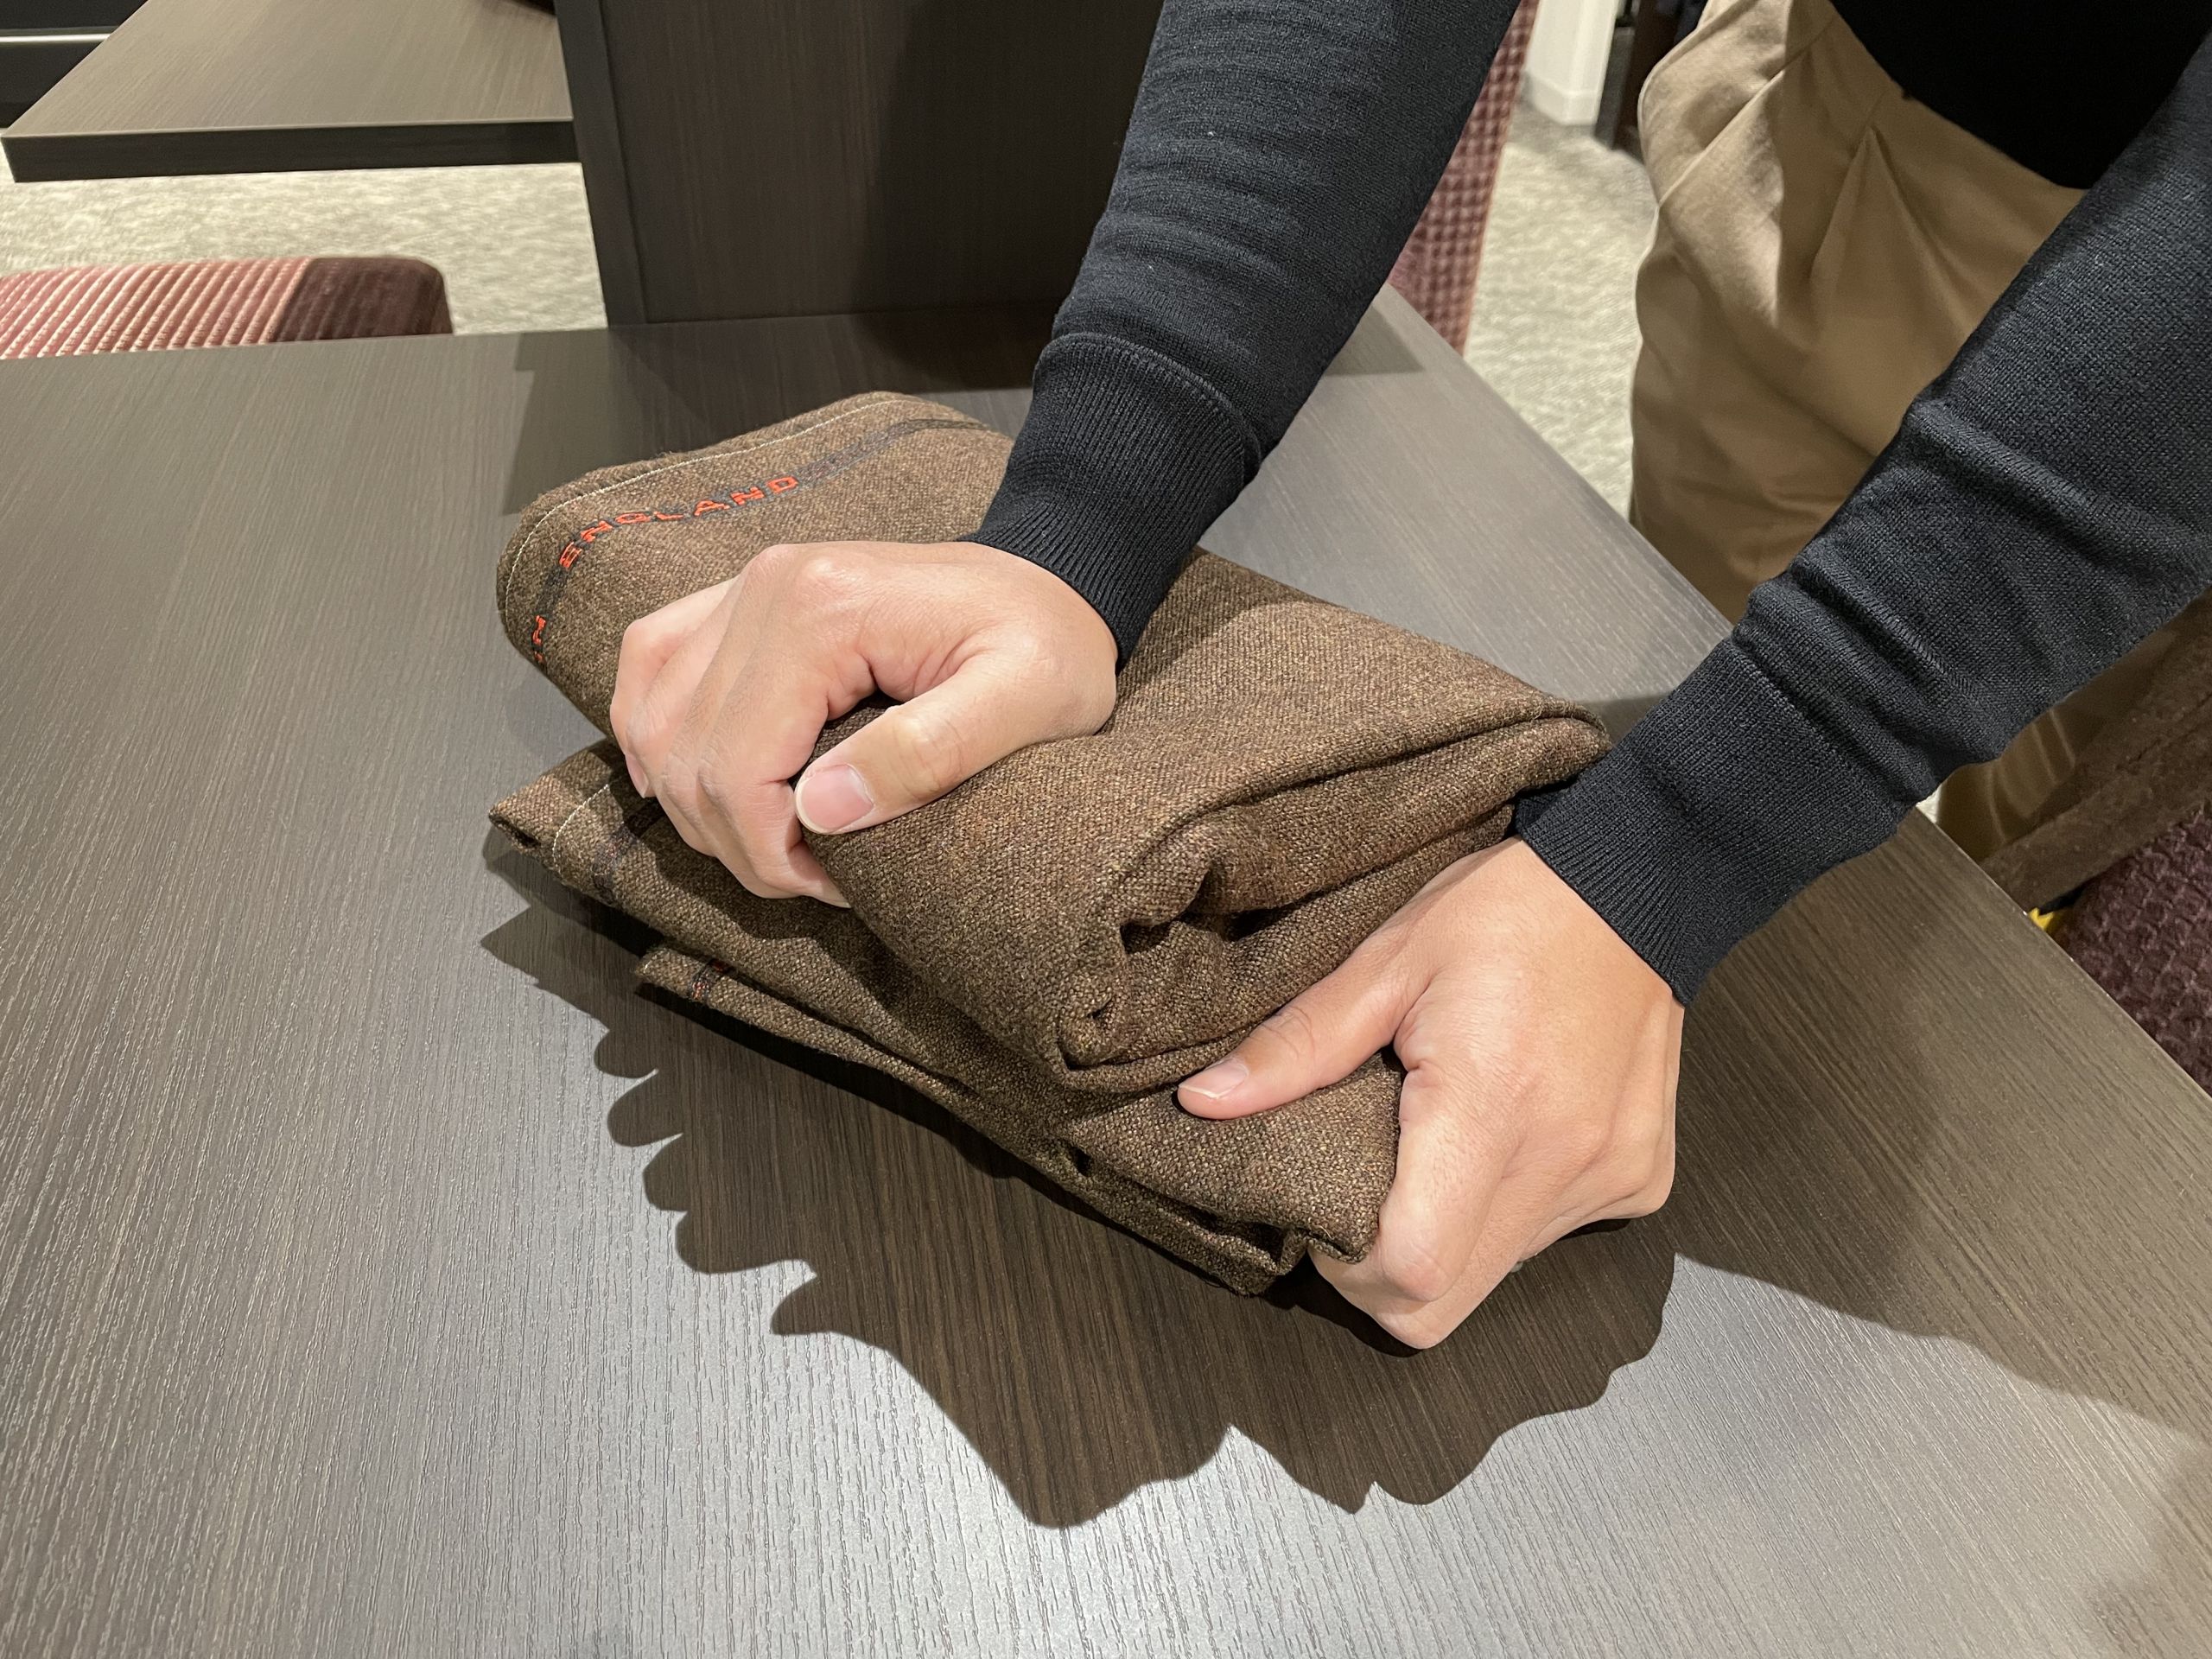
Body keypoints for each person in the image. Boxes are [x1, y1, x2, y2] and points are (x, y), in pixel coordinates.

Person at [605, 0, 2212, 1346]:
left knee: (2020, 933)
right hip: (1865, 128)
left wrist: (1686, 848)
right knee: (1699, 724)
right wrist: (1075, 525)